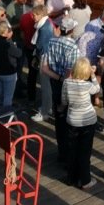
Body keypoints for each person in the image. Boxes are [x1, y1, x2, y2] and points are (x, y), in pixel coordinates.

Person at [41, 17, 79, 162]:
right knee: (69, 119)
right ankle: (69, 155)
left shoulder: (51, 41)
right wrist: (63, 79)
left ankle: (62, 152)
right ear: (71, 30)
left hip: (55, 82)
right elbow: (70, 72)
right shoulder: (73, 47)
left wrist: (57, 78)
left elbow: (45, 68)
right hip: (68, 85)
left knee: (59, 117)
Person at [61, 57, 100, 189]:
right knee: (85, 152)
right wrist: (93, 74)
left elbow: (64, 101)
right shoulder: (88, 85)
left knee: (72, 150)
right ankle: (85, 180)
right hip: (88, 120)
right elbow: (97, 88)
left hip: (72, 120)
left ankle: (71, 178)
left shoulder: (66, 82)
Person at [0, 19, 22, 114]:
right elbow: (18, 53)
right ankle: (6, 117)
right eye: (8, 30)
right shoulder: (7, 44)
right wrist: (11, 41)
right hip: (8, 74)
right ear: (4, 31)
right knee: (8, 97)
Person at [30, 3, 55, 122]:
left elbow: (40, 45)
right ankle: (48, 107)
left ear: (41, 14)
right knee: (48, 86)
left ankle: (44, 112)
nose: (33, 17)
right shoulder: (47, 22)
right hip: (49, 57)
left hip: (45, 58)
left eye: (35, 15)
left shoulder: (44, 28)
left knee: (45, 86)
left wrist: (36, 57)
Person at [19, 0, 44, 107]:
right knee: (43, 76)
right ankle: (43, 100)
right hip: (38, 51)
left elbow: (22, 33)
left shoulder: (24, 17)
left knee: (31, 74)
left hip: (28, 48)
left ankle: (31, 97)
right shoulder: (43, 20)